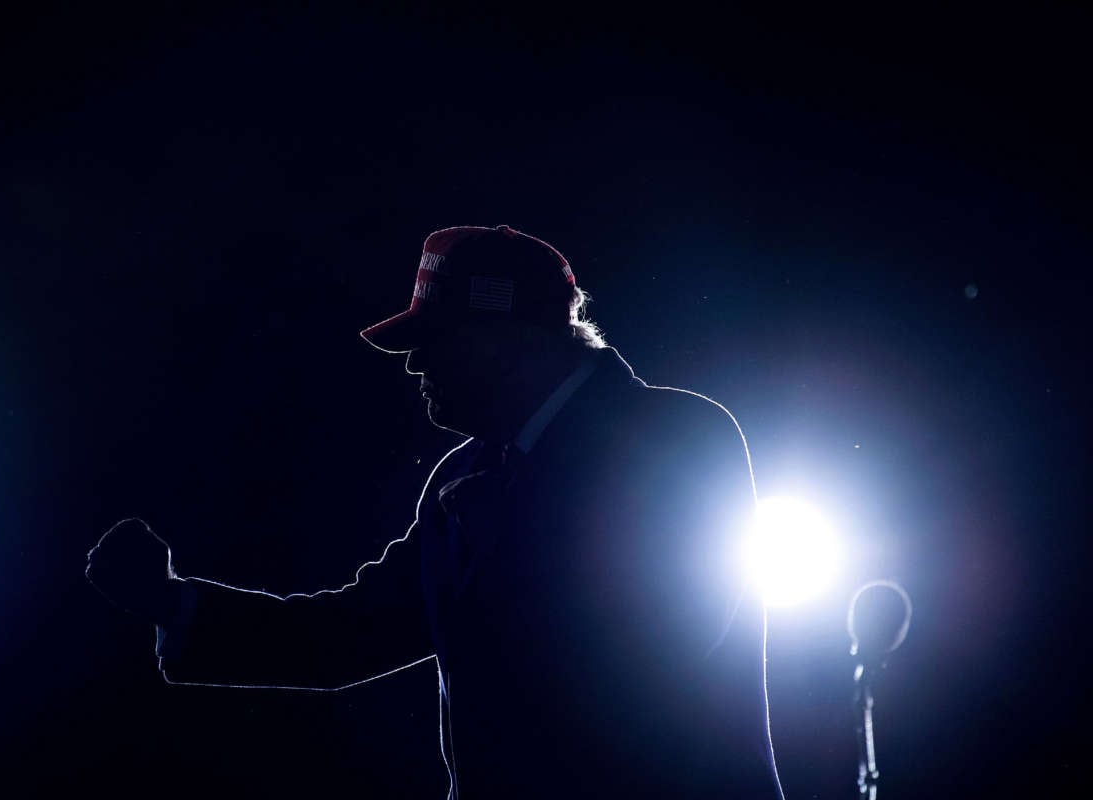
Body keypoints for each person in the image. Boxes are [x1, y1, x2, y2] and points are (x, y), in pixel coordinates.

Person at [86, 224, 784, 799]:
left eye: (433, 342)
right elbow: (350, 636)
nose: (415, 367)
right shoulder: (465, 479)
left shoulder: (679, 438)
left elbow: (626, 670)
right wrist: (173, 604)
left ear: (509, 338)